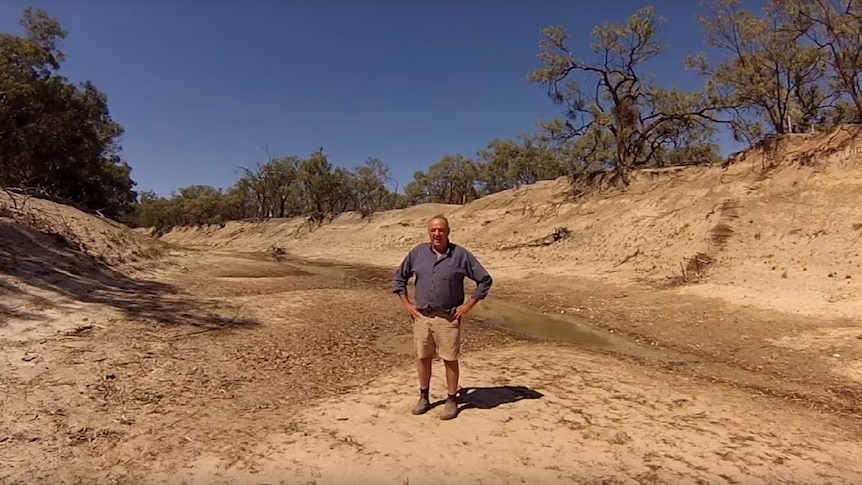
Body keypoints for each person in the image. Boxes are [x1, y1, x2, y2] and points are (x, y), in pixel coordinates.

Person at [392, 214, 493, 420]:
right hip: (421, 317)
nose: (437, 234)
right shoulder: (418, 253)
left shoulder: (460, 255)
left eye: (441, 230)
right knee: (423, 357)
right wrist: (406, 304)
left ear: (448, 232)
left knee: (449, 358)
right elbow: (399, 277)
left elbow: (484, 280)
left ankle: (451, 399)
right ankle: (424, 397)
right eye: (433, 230)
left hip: (448, 318)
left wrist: (468, 306)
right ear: (429, 232)